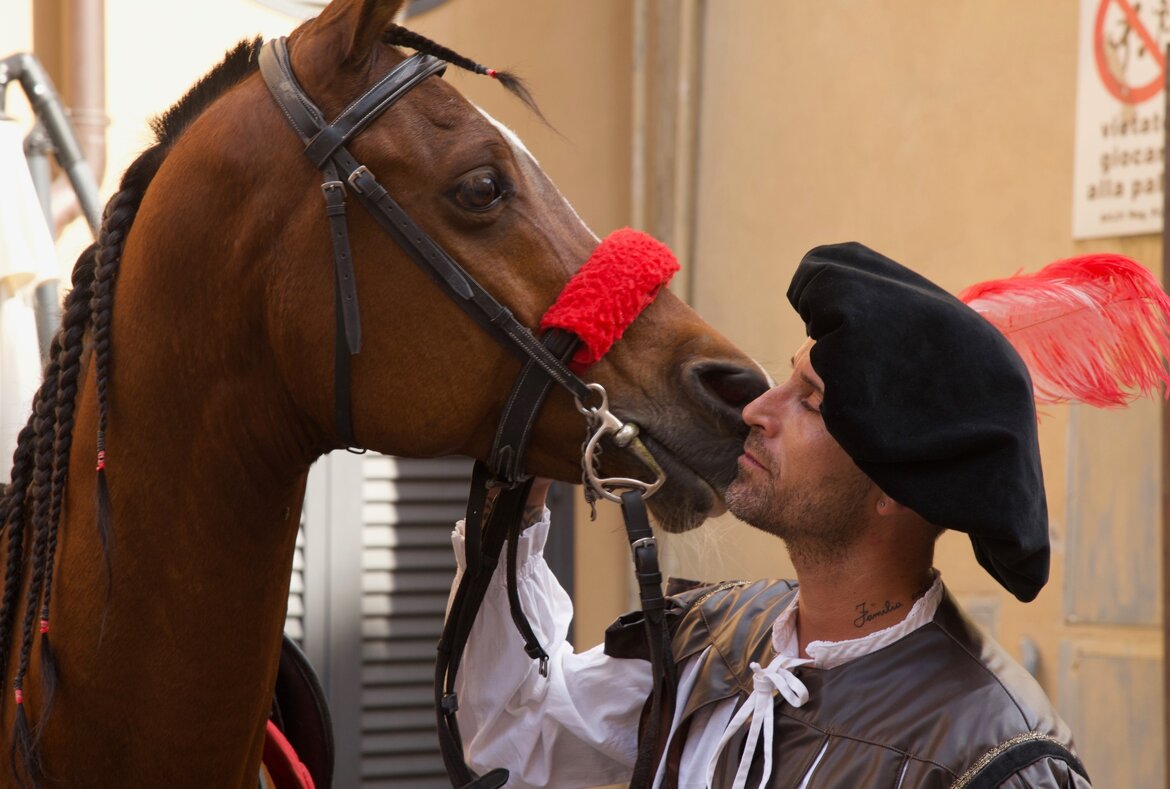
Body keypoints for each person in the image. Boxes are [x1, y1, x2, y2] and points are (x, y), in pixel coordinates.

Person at [447, 242, 1091, 788]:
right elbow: (517, 729)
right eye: (788, 378)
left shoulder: (995, 758)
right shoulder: (714, 638)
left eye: (809, 401)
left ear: (895, 487)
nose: (757, 410)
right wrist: (523, 484)